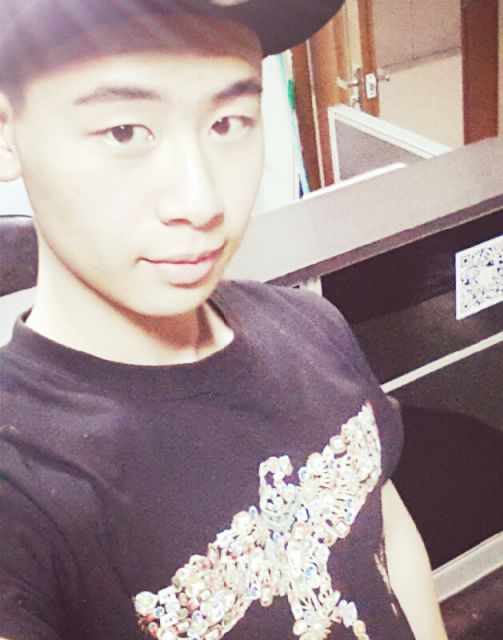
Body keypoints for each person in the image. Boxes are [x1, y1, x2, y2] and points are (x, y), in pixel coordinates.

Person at [0, 1, 449, 639]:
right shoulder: (21, 481)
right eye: (125, 131)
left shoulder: (311, 323)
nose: (202, 199)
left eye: (228, 122)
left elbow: (381, 524)